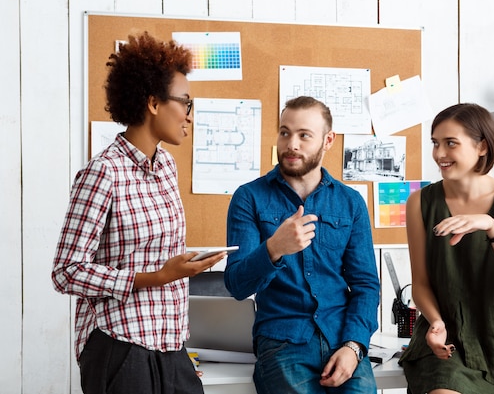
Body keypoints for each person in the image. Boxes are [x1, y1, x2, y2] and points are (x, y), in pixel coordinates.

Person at [51, 32, 225, 394]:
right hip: (120, 345)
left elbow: (154, 252)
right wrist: (154, 277)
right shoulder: (104, 172)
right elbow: (66, 272)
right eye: (186, 103)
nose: (190, 115)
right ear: (153, 103)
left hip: (170, 347)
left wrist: (182, 266)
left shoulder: (166, 167)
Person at [224, 96, 380, 394]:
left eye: (304, 135)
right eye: (285, 132)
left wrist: (354, 345)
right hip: (283, 341)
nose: (291, 144)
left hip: (342, 339)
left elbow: (366, 285)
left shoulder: (351, 203)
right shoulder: (249, 198)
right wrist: (274, 249)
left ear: (328, 140)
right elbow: (236, 285)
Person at [399, 103, 494, 394]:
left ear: (481, 146)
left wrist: (492, 227)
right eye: (435, 143)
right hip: (447, 340)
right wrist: (436, 322)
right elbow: (421, 283)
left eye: (450, 143)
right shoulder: (420, 203)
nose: (439, 154)